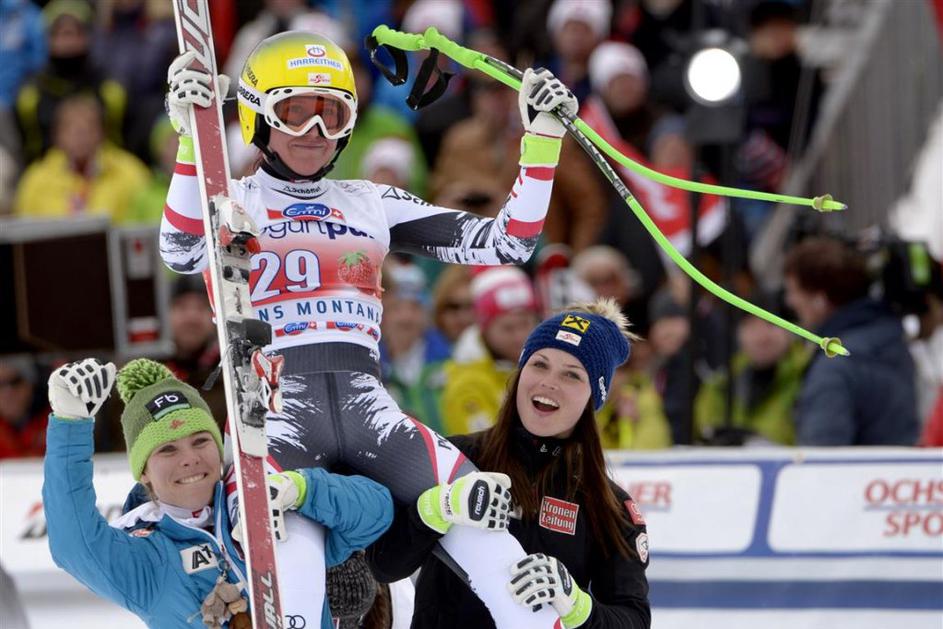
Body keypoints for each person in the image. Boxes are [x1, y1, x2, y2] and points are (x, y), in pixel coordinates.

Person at [160, 30, 577, 628]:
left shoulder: (370, 201)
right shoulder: (230, 197)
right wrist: (188, 140)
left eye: (332, 114)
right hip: (275, 421)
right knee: (294, 586)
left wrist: (542, 141)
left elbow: (508, 241)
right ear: (256, 116)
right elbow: (179, 249)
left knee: (493, 538)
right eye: (295, 112)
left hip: (372, 413)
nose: (315, 131)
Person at [43, 357, 393, 629]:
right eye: (168, 450)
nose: (189, 459)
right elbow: (74, 545)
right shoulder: (148, 559)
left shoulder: (265, 500)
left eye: (200, 441)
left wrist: (301, 489)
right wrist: (71, 425)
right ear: (144, 472)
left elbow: (376, 513)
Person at [368, 298, 652, 628]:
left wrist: (576, 605)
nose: (549, 382)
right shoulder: (454, 456)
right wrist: (438, 507)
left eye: (572, 375)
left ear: (594, 397)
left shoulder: (609, 505)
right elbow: (383, 565)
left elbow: (633, 618)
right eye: (539, 364)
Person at [784, 237, 919, 445]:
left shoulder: (835, 367)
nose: (790, 301)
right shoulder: (892, 342)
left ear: (820, 299)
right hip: (898, 465)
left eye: (794, 291)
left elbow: (821, 455)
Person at [15, 0, 127, 162]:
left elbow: (120, 142)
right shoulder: (30, 95)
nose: (68, 42)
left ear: (88, 36)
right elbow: (29, 148)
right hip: (48, 170)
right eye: (59, 33)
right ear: (47, 39)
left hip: (106, 168)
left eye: (75, 32)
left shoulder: (110, 90)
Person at [695, 292, 811, 446]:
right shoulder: (721, 383)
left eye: (771, 324)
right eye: (750, 325)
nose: (761, 336)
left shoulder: (807, 373)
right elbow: (703, 430)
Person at [14, 94, 150, 223]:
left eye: (88, 127)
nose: (80, 135)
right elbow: (24, 230)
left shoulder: (130, 173)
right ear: (57, 136)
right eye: (71, 128)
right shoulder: (36, 180)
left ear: (102, 132)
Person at [441, 267, 540, 435]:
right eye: (507, 328)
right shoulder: (467, 384)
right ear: (484, 329)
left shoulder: (548, 367)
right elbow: (486, 449)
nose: (519, 336)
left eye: (525, 324)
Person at [0, 355, 50, 459]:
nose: (7, 392)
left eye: (14, 382)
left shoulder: (60, 422)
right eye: (1, 385)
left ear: (30, 385)